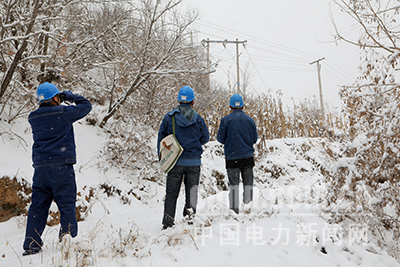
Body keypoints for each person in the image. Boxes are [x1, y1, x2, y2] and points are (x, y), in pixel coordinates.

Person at [22, 82, 92, 256]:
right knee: (66, 205)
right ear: (54, 97)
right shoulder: (63, 113)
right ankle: (67, 241)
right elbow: (86, 106)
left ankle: (31, 244)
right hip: (61, 167)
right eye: (58, 97)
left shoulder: (33, 117)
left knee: (37, 207)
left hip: (41, 169)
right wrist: (70, 96)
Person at [157, 86, 209, 229]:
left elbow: (161, 140)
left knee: (171, 194)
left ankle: (168, 223)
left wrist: (161, 157)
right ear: (193, 101)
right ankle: (189, 220)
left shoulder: (169, 118)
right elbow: (205, 138)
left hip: (175, 161)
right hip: (193, 162)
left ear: (179, 100)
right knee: (191, 193)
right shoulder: (198, 119)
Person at [217, 94, 257, 214]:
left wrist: (230, 142)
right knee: (248, 184)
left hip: (232, 158)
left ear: (230, 106)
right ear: (243, 106)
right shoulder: (250, 120)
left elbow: (220, 138)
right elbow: (254, 139)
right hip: (247, 157)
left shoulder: (225, 120)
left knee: (234, 186)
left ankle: (234, 212)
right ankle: (247, 209)